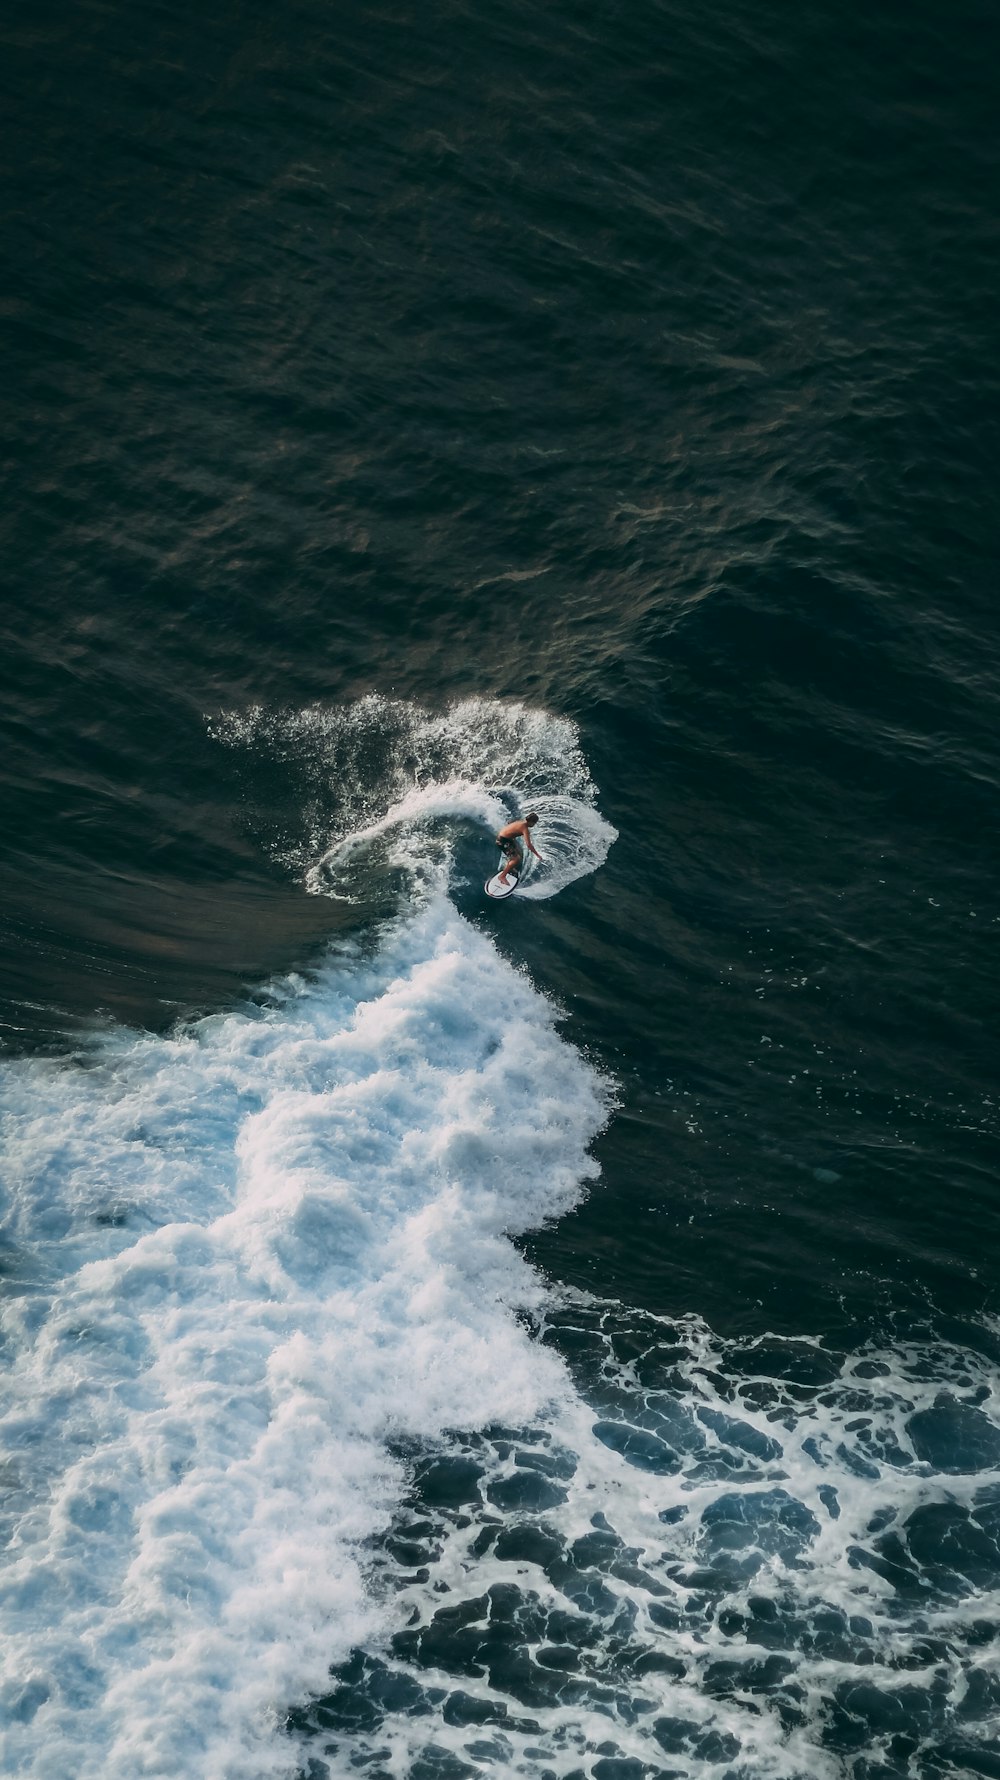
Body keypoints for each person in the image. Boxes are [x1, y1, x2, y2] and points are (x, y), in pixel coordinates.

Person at [496, 812, 542, 885]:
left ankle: (509, 865)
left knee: (517, 852)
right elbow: (529, 845)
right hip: (503, 841)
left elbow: (509, 822)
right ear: (531, 822)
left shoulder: (520, 821)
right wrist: (537, 855)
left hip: (504, 838)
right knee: (516, 859)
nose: (534, 825)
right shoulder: (525, 829)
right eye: (534, 823)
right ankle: (502, 876)